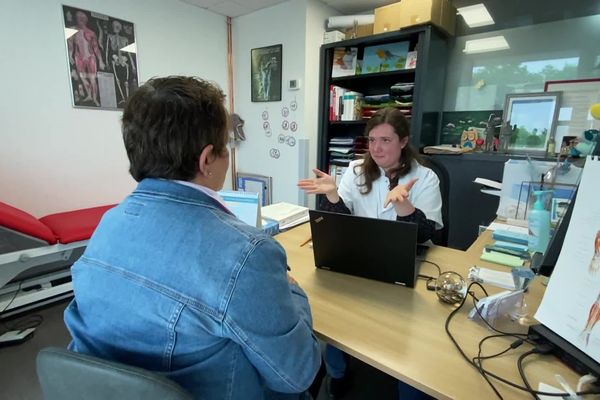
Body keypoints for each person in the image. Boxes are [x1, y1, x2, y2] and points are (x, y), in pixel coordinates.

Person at [64, 76, 321, 399]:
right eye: (226, 147)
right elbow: (297, 374)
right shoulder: (247, 253)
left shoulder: (108, 224)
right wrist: (292, 291)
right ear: (206, 159)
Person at [298, 107, 443, 399]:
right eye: (372, 140)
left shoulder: (424, 177)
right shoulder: (355, 170)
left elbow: (427, 234)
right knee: (335, 313)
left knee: (411, 342)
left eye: (386, 140)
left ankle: (408, 383)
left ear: (403, 141)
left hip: (404, 263)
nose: (377, 148)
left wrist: (404, 205)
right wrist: (332, 195)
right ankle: (336, 373)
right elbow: (341, 219)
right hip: (360, 259)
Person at [68, 10, 105, 106]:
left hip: (90, 57)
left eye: (83, 17)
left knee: (93, 79)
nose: (81, 19)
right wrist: (70, 55)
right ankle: (89, 95)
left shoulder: (91, 33)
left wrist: (100, 61)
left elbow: (96, 48)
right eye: (79, 17)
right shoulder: (73, 31)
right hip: (79, 57)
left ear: (86, 19)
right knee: (83, 77)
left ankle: (94, 98)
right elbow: (71, 45)